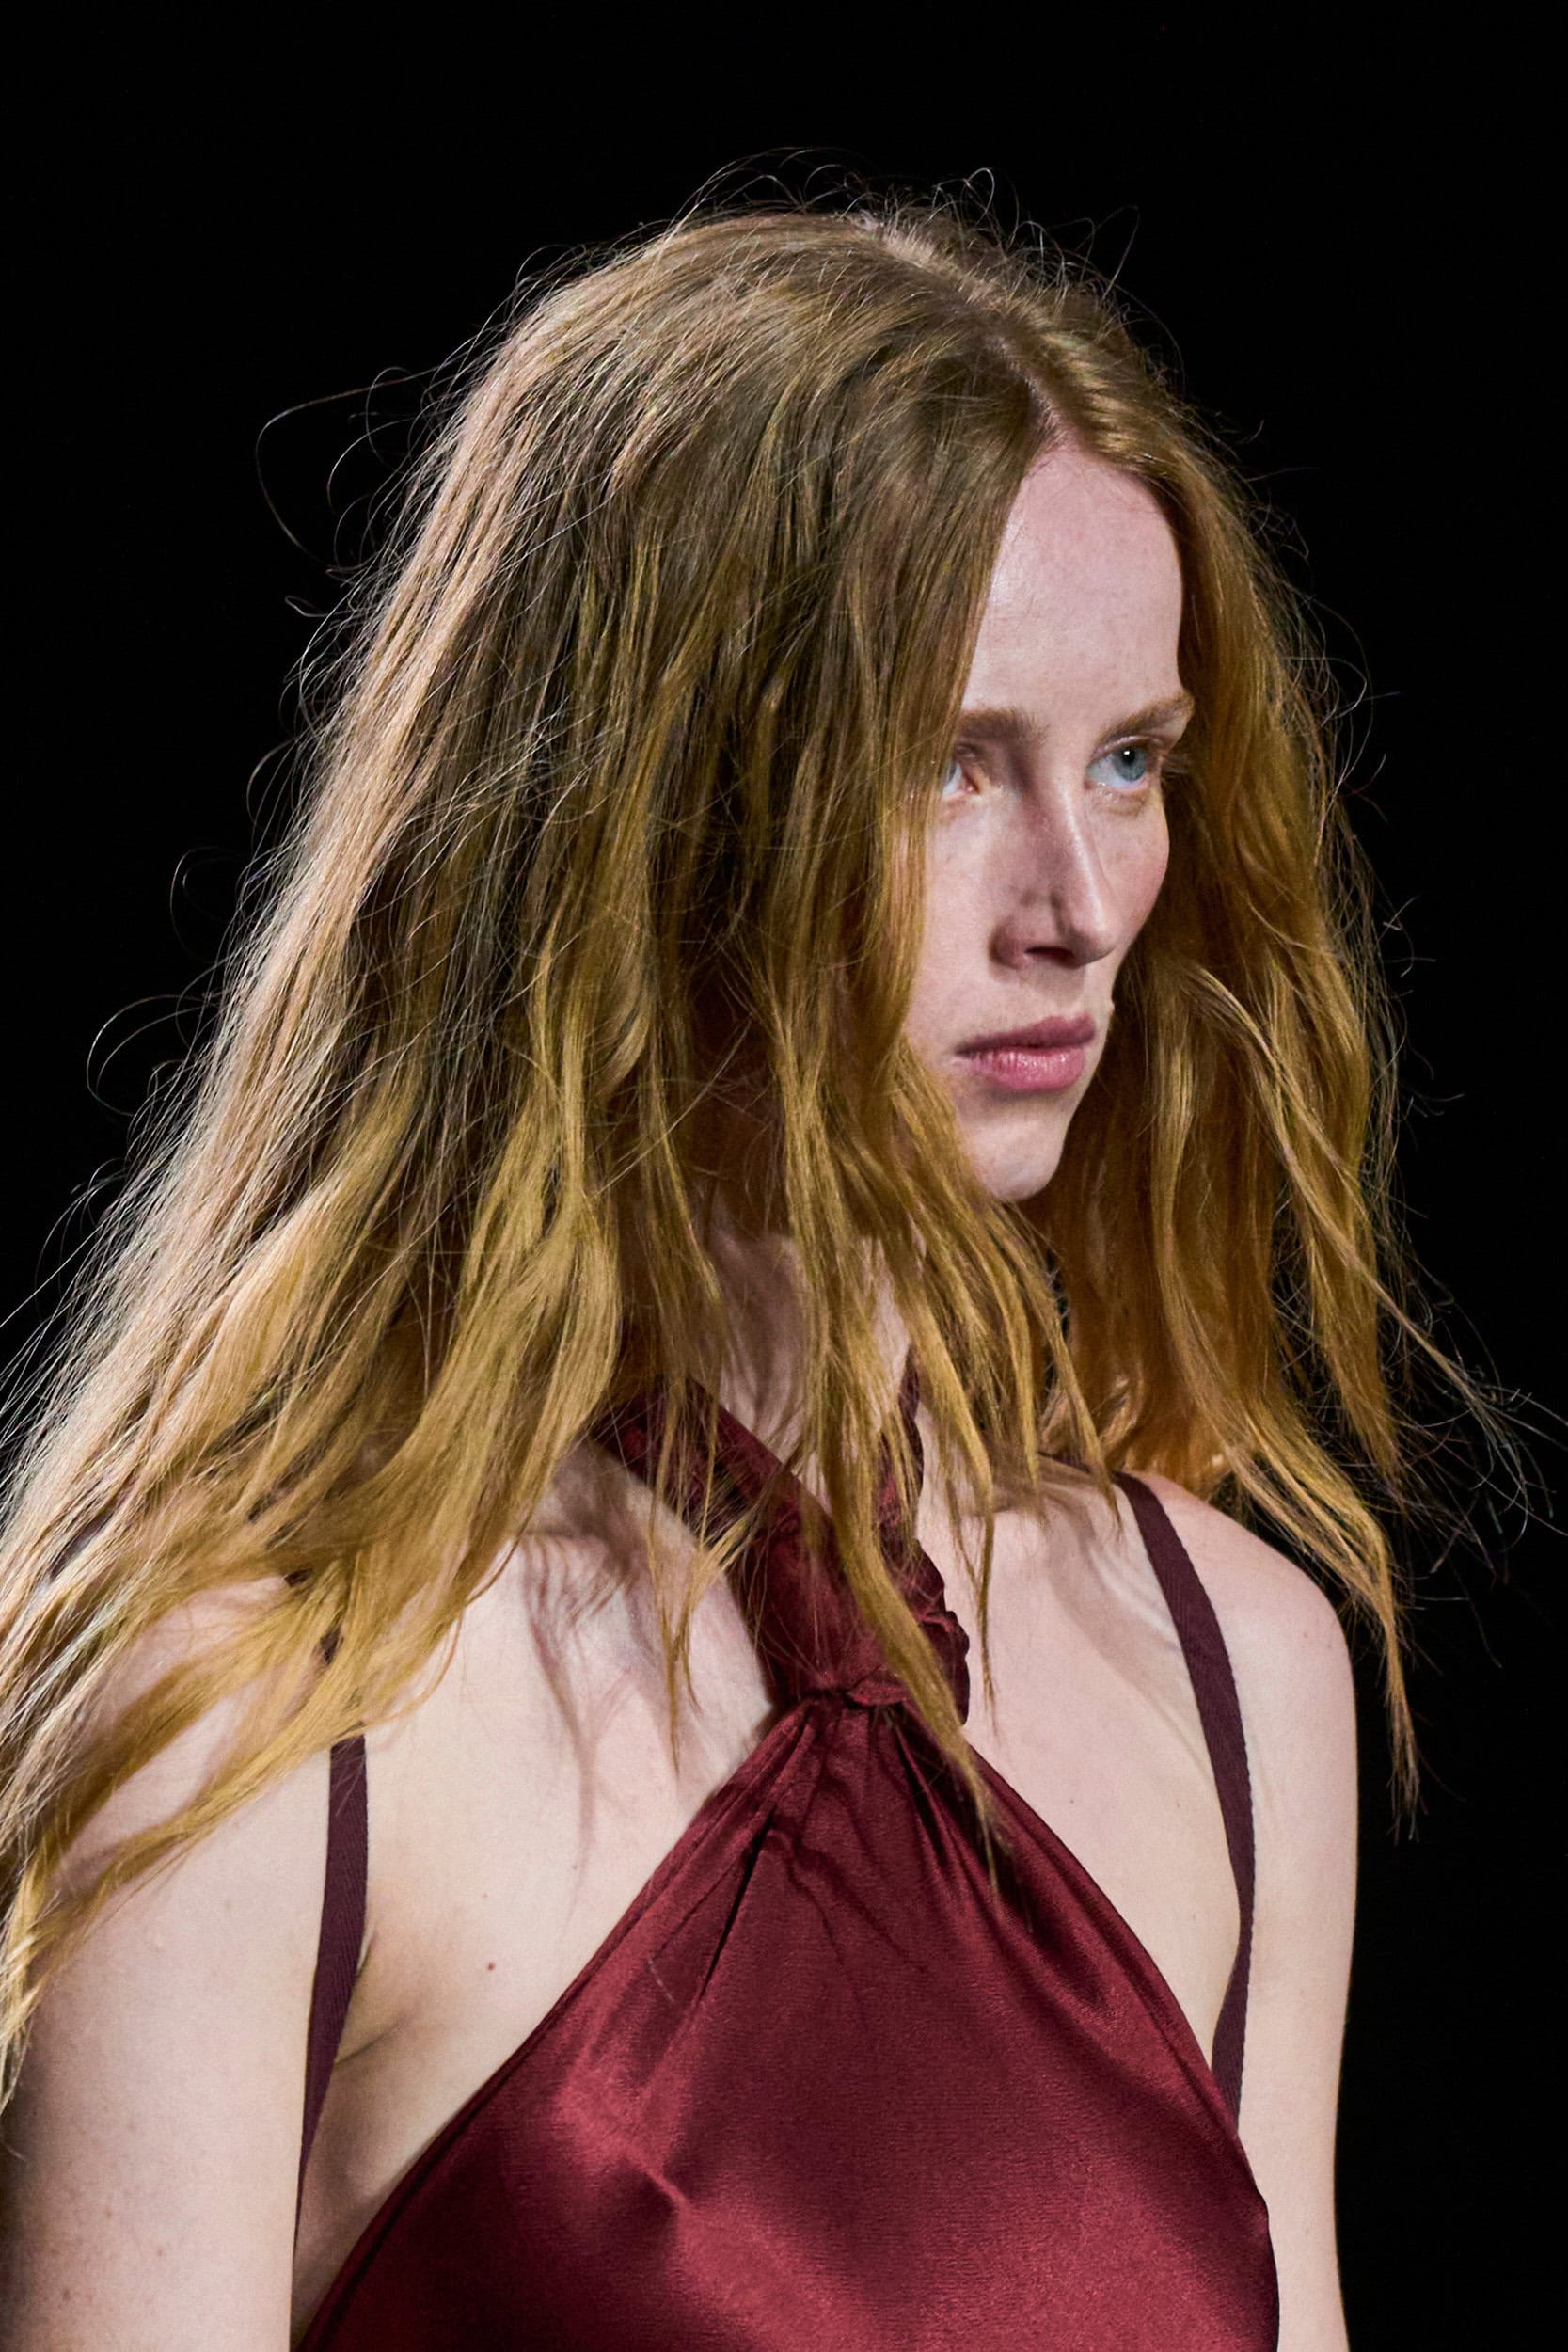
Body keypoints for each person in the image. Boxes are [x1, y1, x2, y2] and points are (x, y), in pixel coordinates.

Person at [0, 184, 1509, 2351]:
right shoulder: (261, 1720)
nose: (1082, 904)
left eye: (1131, 762)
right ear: (650, 807)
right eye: (949, 763)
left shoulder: (1228, 1665)